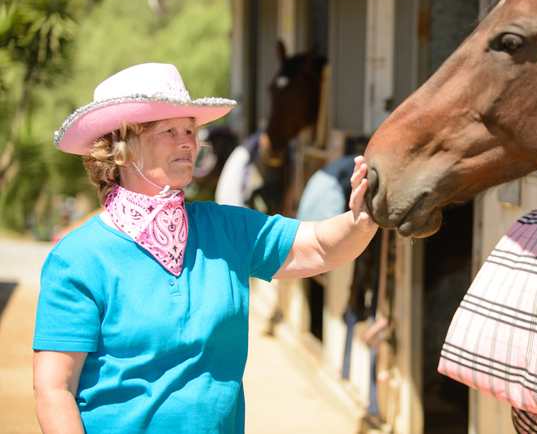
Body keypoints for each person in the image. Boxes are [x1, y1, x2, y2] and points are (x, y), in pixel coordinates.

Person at [32, 63, 377, 434]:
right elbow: (54, 389)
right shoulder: (78, 259)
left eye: (190, 130)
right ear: (122, 149)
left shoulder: (224, 228)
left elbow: (321, 246)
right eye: (169, 130)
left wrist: (363, 218)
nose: (188, 142)